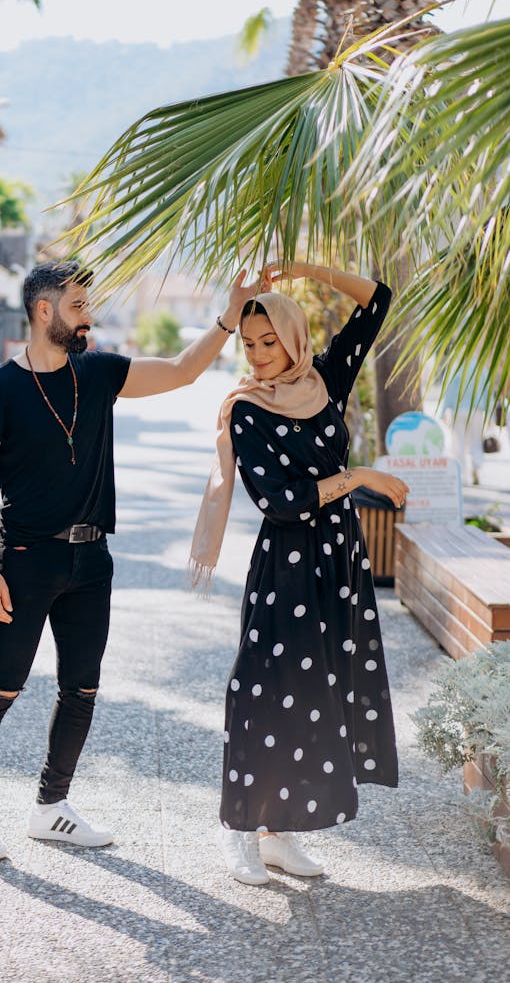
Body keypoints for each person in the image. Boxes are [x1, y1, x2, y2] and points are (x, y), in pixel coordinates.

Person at [0, 258, 259, 860]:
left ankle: (51, 807)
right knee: (3, 686)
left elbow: (184, 371)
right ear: (45, 311)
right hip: (28, 560)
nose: (89, 316)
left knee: (81, 688)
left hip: (94, 562)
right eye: (79, 306)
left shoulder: (100, 373)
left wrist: (230, 313)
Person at [190, 261, 409, 885]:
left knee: (317, 695)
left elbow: (377, 301)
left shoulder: (325, 382)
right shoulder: (246, 410)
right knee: (261, 691)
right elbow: (279, 503)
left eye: (270, 341)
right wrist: (358, 477)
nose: (259, 356)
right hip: (286, 563)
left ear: (294, 337)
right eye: (250, 344)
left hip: (337, 560)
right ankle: (238, 830)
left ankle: (278, 834)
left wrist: (304, 267)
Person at [440, 362, 492, 486]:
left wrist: (443, 413)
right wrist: (490, 415)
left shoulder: (455, 368)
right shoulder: (481, 368)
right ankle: (476, 465)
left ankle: (462, 475)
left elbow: (448, 391)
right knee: (476, 442)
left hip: (458, 410)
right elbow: (487, 392)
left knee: (459, 444)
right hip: (477, 411)